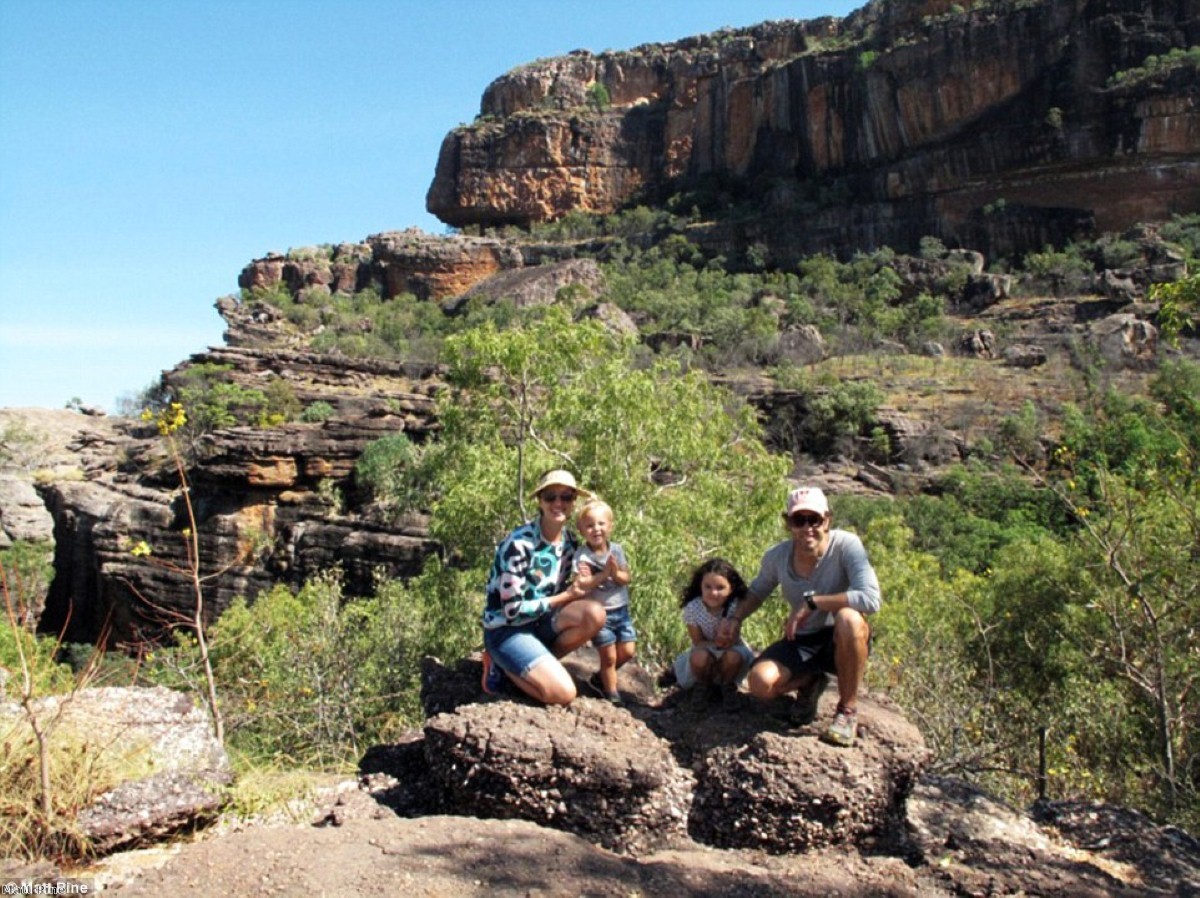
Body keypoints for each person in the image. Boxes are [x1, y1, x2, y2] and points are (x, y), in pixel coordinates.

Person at [718, 485, 881, 746]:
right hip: (803, 640)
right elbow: (758, 590)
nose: (807, 527)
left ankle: (847, 711)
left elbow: (871, 598)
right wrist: (734, 619)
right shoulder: (777, 556)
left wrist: (814, 602)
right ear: (788, 523)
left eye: (814, 519)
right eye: (799, 520)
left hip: (840, 639)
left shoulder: (846, 546)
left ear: (827, 520)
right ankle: (810, 682)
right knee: (760, 683)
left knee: (849, 618)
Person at [480, 469, 606, 705]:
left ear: (573, 502)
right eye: (550, 497)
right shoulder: (520, 544)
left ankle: (533, 663)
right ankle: (505, 668)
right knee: (563, 694)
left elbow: (559, 591)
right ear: (540, 501)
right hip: (507, 629)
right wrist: (567, 596)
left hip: (540, 623)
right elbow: (512, 610)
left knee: (595, 614)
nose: (558, 503)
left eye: (566, 497)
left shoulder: (569, 543)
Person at [572, 498, 634, 705]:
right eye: (590, 525)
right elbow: (582, 584)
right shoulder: (582, 555)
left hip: (621, 611)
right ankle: (612, 694)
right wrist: (604, 574)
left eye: (601, 524)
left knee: (627, 651)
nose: (596, 529)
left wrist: (615, 573)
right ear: (581, 530)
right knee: (608, 657)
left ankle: (600, 679)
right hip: (601, 614)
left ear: (610, 526)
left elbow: (626, 578)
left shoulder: (616, 550)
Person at [674, 557, 756, 711]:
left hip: (731, 648)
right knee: (699, 657)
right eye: (708, 587)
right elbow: (697, 641)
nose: (713, 593)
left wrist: (726, 636)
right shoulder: (693, 608)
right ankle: (703, 686)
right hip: (706, 646)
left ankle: (728, 687)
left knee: (733, 657)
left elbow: (732, 639)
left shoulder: (735, 607)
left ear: (731, 588)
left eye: (720, 588)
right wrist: (715, 644)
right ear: (700, 586)